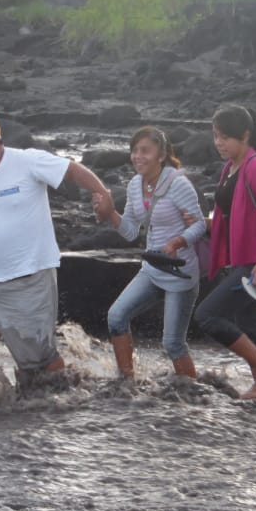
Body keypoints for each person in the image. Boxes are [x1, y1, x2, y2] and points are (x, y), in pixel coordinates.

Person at [0, 113, 114, 387]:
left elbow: (71, 169)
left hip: (29, 278)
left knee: (39, 366)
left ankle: (69, 399)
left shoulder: (27, 161)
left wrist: (103, 194)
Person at [194, 106, 256, 400]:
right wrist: (204, 224)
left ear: (246, 135)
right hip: (244, 262)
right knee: (252, 332)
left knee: (207, 315)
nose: (218, 143)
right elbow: (234, 214)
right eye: (216, 136)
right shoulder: (231, 168)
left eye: (225, 137)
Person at [93, 127, 207, 380]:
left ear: (162, 155)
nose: (137, 156)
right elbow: (131, 232)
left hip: (180, 271)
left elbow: (199, 224)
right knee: (116, 317)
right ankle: (127, 384)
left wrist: (178, 241)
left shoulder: (178, 184)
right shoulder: (135, 185)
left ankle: (195, 396)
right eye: (134, 151)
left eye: (145, 150)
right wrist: (109, 213)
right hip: (153, 268)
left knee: (172, 344)